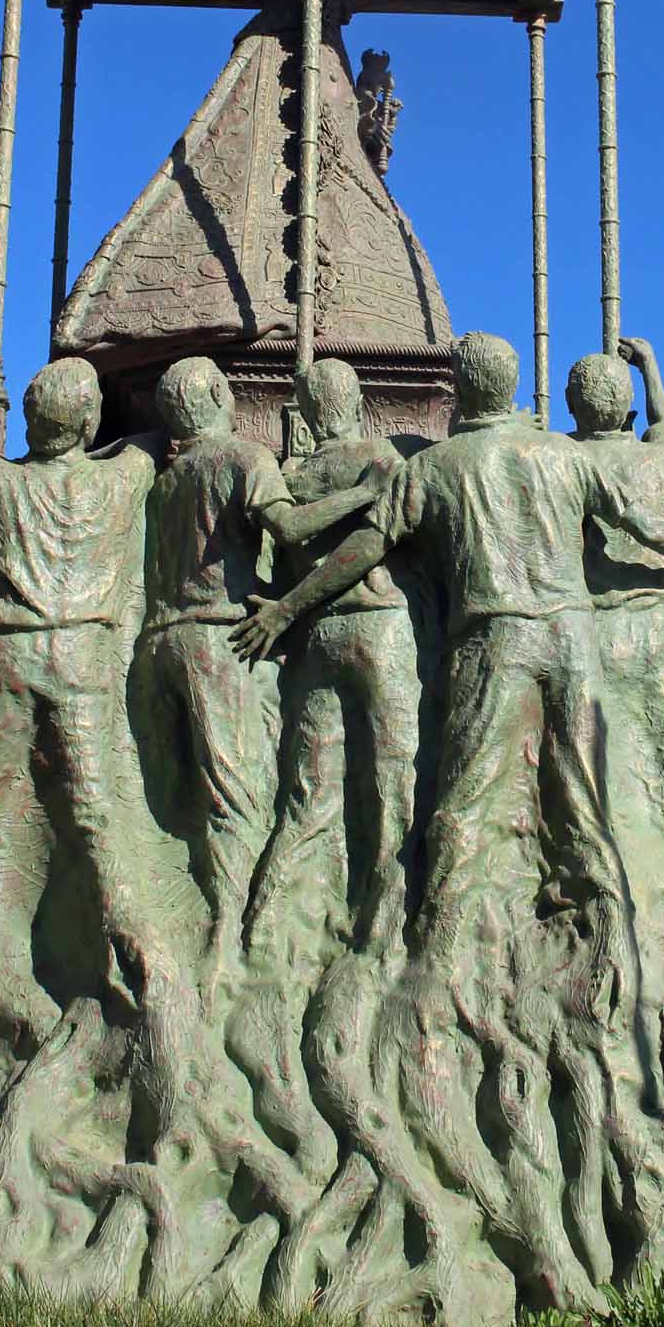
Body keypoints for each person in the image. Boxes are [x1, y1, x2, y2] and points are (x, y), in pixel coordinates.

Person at [232, 332, 664, 973]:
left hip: (494, 642)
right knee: (585, 799)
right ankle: (614, 952)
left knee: (466, 800)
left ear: (458, 388)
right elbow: (646, 526)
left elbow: (364, 549)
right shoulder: (561, 455)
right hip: (570, 639)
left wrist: (288, 607)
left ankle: (437, 957)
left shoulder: (434, 467)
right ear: (512, 386)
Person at [0, 345, 155, 1045]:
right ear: (88, 423)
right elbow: (158, 436)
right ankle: (141, 962)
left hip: (14, 651)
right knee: (97, 815)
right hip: (83, 655)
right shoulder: (124, 479)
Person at [130, 356, 380, 976]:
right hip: (222, 644)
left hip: (158, 643)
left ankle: (174, 932)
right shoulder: (243, 458)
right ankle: (229, 943)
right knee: (238, 801)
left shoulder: (158, 479)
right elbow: (291, 528)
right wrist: (365, 493)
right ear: (220, 394)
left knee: (173, 805)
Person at [248, 358, 418, 960]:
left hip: (316, 638)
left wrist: (288, 607)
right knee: (393, 780)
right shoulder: (381, 461)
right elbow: (373, 543)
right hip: (376, 633)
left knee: (308, 789)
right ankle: (391, 927)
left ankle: (269, 931)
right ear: (357, 405)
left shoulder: (289, 471)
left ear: (306, 413)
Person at [566, 342, 664, 828]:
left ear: (570, 406)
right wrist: (650, 367)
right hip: (656, 634)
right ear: (627, 410)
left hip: (592, 630)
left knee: (600, 776)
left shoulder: (560, 461)